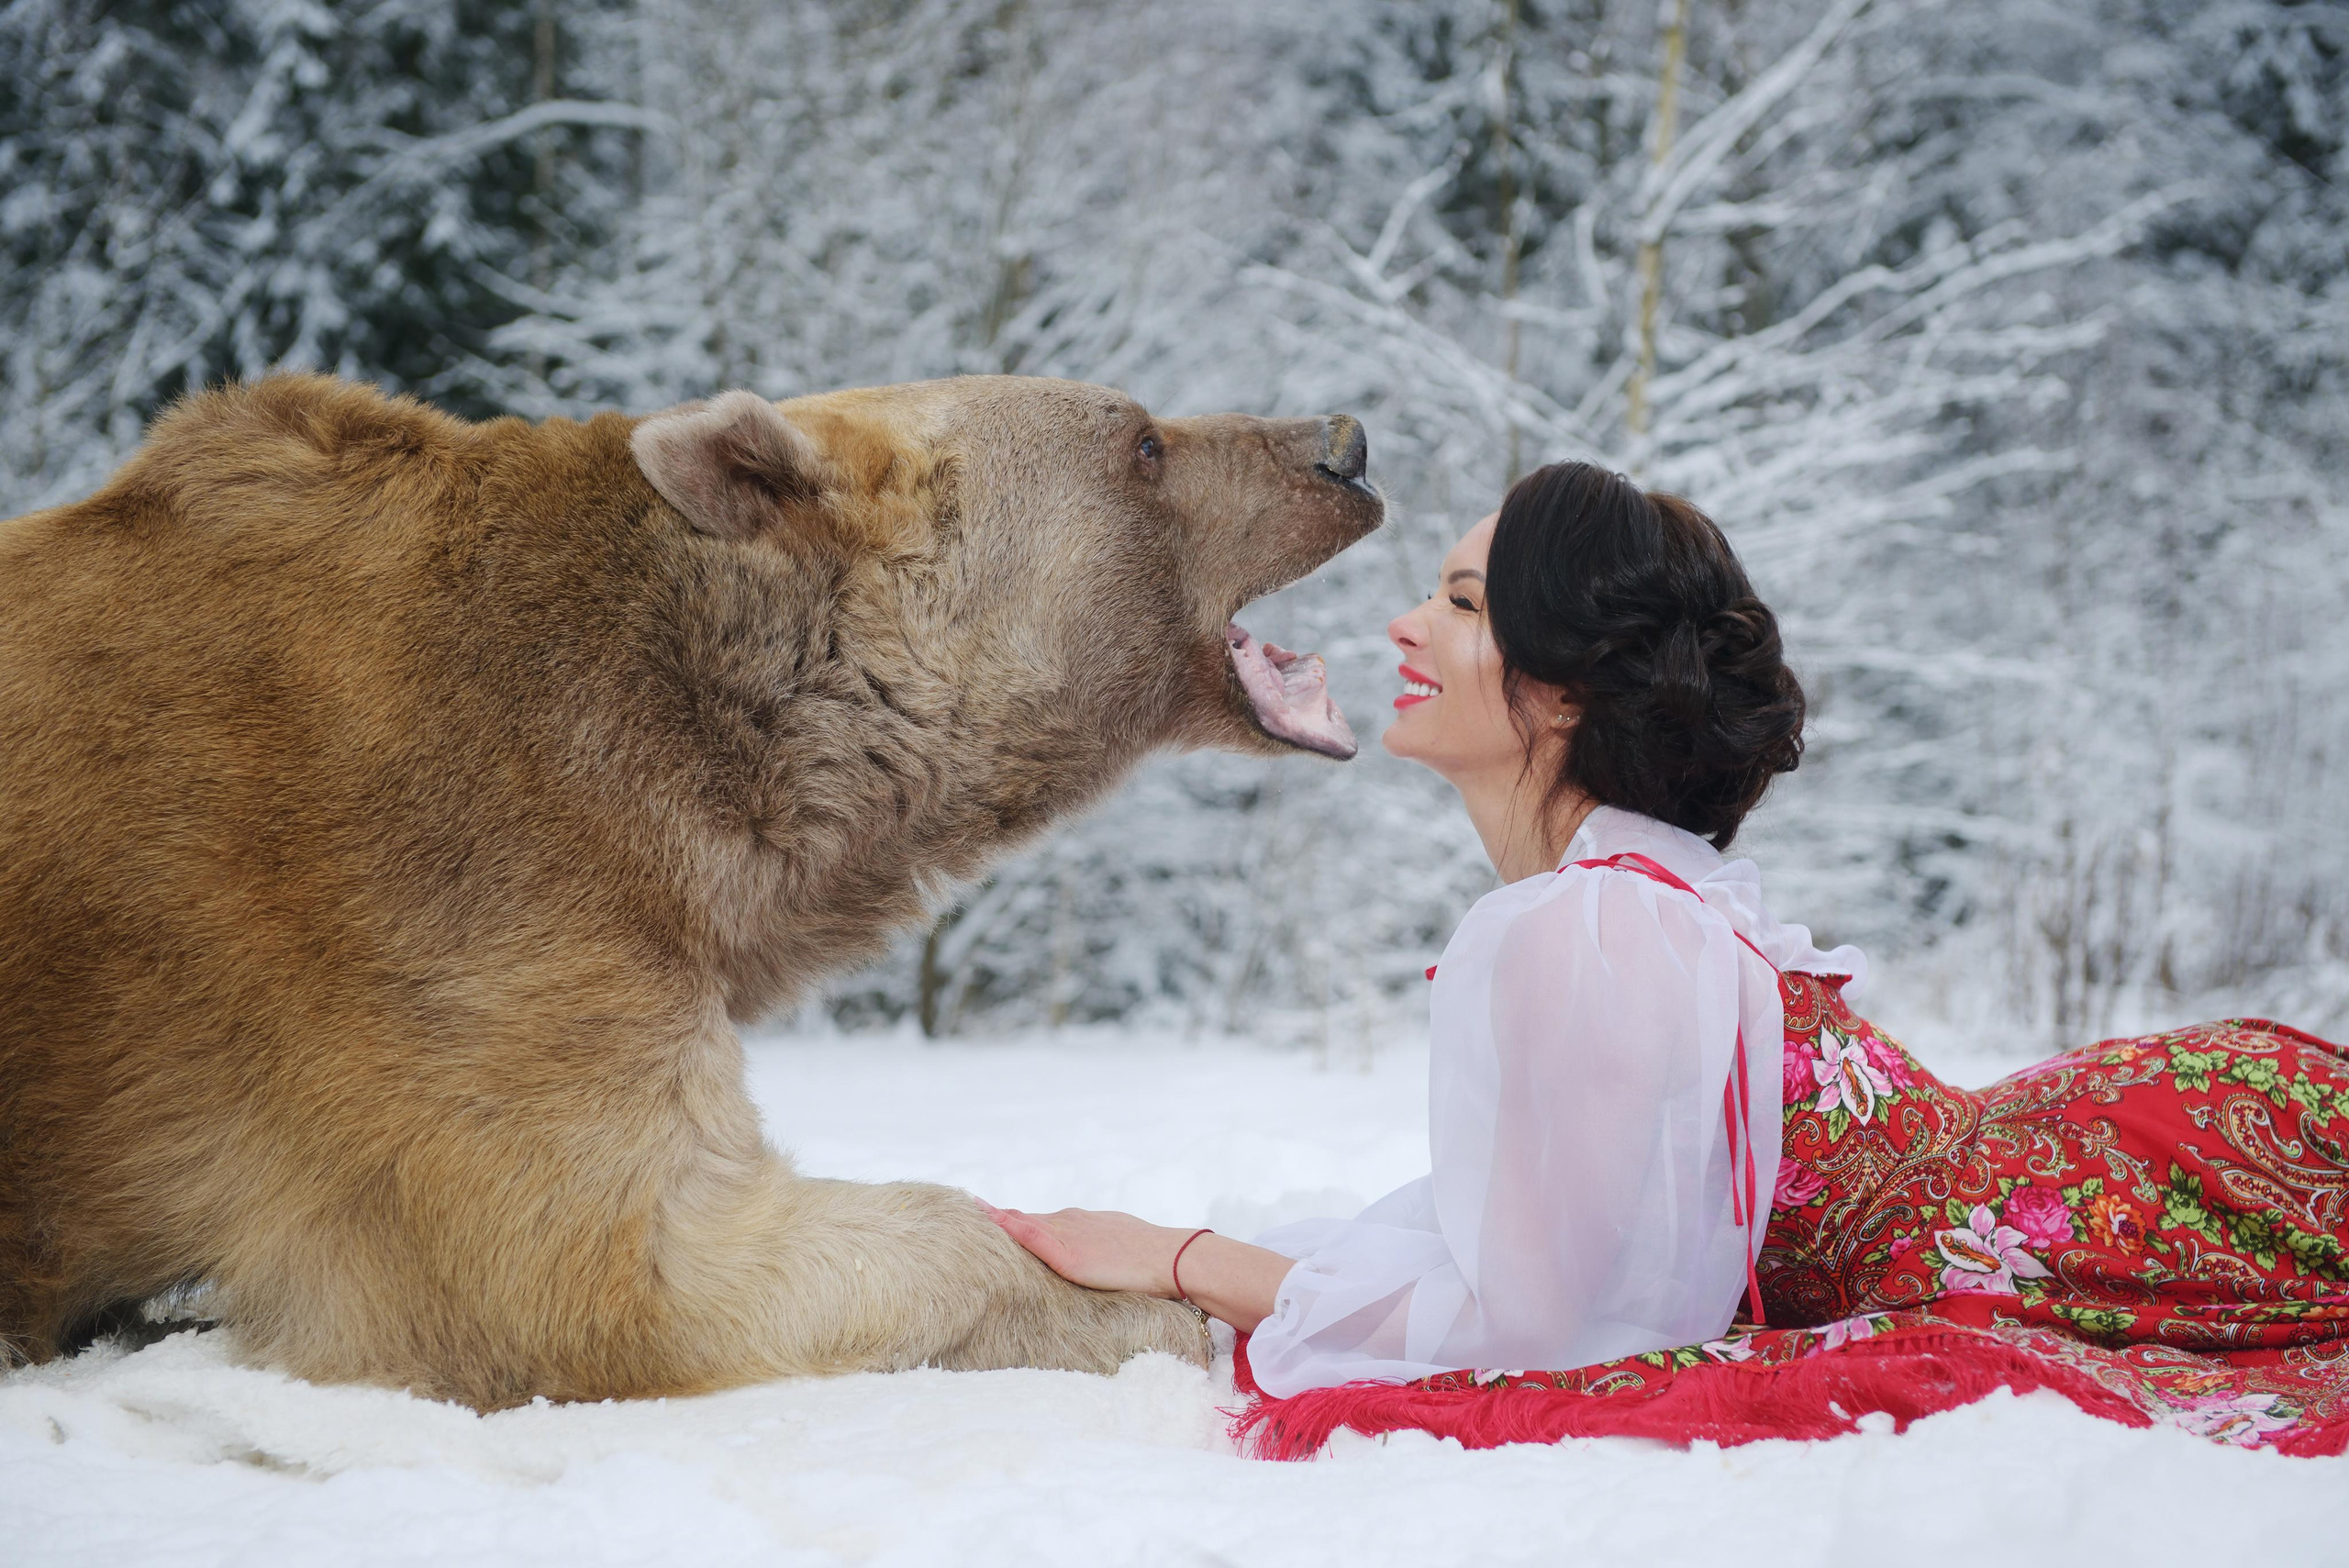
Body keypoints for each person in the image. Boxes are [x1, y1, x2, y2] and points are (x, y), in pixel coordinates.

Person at [985, 462, 2349, 1458]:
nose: (1403, 625)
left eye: (1462, 601)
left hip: (2161, 1198)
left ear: (1568, 684)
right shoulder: (1632, 901)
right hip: (2148, 1138)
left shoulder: (1586, 927)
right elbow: (1534, 1231)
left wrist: (1187, 1258)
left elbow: (1538, 1328)